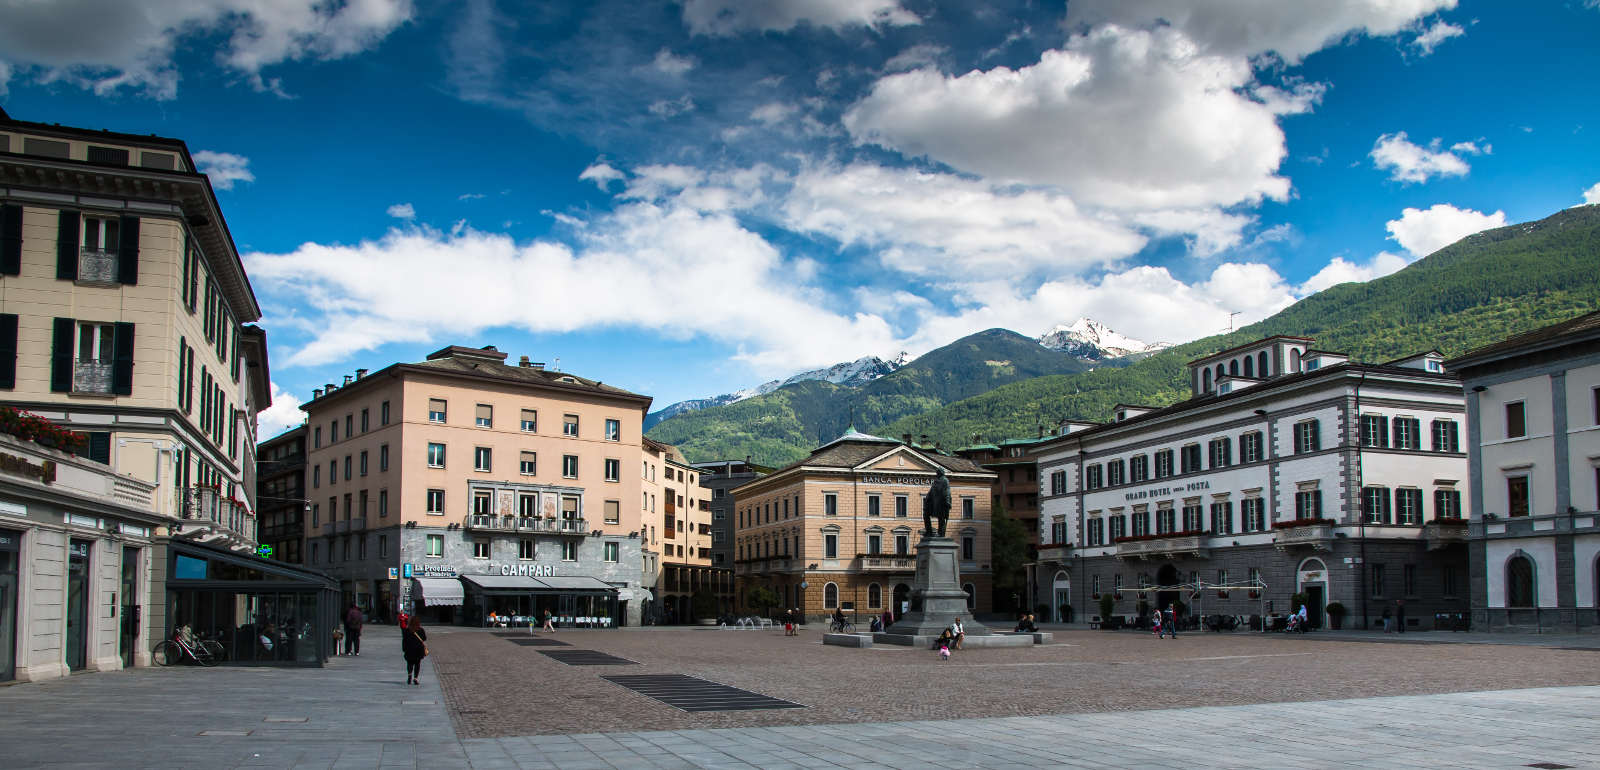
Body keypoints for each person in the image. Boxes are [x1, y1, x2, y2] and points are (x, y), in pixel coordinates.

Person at [402, 616, 428, 686]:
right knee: (417, 664)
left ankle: (409, 675)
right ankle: (415, 678)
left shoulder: (407, 630)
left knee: (409, 663)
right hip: (418, 650)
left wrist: (404, 649)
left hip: (409, 649)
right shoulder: (421, 630)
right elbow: (424, 638)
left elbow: (404, 640)